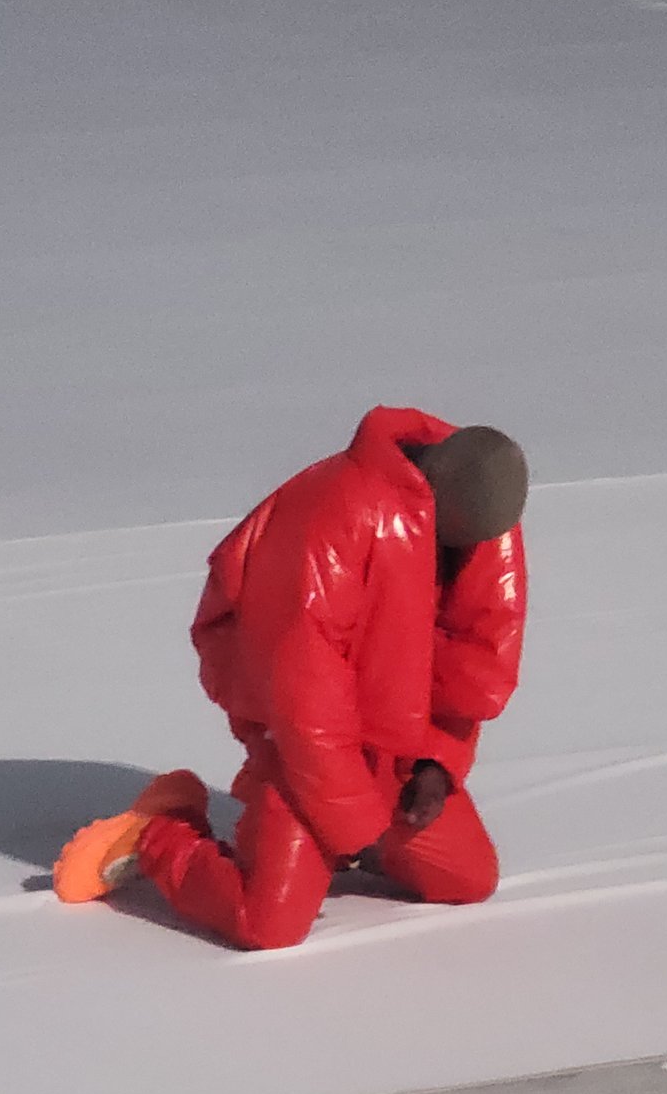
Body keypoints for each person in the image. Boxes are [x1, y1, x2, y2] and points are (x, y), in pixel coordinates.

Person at [53, 406, 529, 950]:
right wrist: (354, 823)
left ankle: (342, 843)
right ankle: (159, 834)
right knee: (268, 924)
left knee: (467, 878)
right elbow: (303, 697)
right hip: (299, 750)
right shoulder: (333, 515)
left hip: (391, 746)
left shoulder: (486, 520)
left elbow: (472, 663)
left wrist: (436, 762)